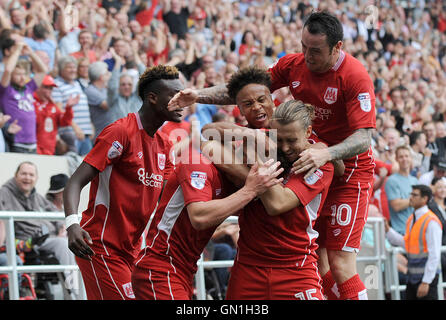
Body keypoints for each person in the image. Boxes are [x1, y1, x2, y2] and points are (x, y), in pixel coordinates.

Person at [168, 11, 375, 300]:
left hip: (345, 168)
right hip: (307, 155)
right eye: (303, 46)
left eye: (314, 50)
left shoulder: (355, 77)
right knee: (323, 260)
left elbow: (364, 138)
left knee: (340, 262)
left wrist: (326, 153)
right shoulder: (292, 68)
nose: (306, 55)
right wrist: (198, 96)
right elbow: (246, 90)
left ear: (338, 47)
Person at [63, 65, 185, 300]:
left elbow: (170, 198)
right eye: (174, 95)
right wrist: (72, 225)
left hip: (133, 250)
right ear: (152, 98)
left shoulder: (165, 144)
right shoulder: (120, 132)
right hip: (99, 247)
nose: (182, 101)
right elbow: (75, 182)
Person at [131, 143, 283, 300]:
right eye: (252, 168)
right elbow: (199, 217)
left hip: (182, 272)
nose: (254, 176)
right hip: (160, 269)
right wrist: (250, 190)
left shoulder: (234, 185)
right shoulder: (197, 163)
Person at [225, 100, 335, 300]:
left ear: (308, 132)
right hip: (248, 268)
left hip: (296, 269)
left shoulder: (319, 162)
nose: (284, 147)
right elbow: (208, 136)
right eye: (279, 139)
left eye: (292, 140)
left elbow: (277, 204)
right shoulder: (264, 142)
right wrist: (249, 137)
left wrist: (254, 157)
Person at [0, 162, 75, 276]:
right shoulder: (4, 194)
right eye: (24, 174)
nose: (27, 178)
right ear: (16, 175)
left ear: (36, 178)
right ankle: (75, 291)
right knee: (63, 244)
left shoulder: (37, 196)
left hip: (51, 237)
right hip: (30, 241)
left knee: (75, 241)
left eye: (31, 175)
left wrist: (62, 227)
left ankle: (82, 288)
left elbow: (55, 213)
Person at [386, 185, 442, 300]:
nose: (410, 198)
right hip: (412, 278)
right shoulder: (411, 219)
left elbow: (434, 255)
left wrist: (426, 282)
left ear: (425, 199)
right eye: (411, 194)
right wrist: (388, 230)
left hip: (426, 279)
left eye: (414, 195)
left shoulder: (431, 221)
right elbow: (406, 242)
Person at [0, 40, 47, 153]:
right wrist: (17, 51)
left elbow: (43, 70)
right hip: (16, 141)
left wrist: (30, 52)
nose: (22, 78)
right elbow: (7, 69)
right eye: (18, 74)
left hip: (32, 141)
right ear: (12, 76)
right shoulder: (6, 90)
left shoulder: (29, 87)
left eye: (24, 74)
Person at [52, 55, 93, 156]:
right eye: (69, 67)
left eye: (74, 67)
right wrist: (75, 128)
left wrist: (90, 125)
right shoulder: (57, 85)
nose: (73, 70)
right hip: (70, 133)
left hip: (85, 134)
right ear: (61, 69)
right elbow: (59, 110)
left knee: (88, 168)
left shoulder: (77, 84)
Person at [34, 75, 77, 155]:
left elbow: (64, 122)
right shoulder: (32, 102)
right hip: (34, 148)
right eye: (46, 87)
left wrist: (68, 108)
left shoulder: (52, 105)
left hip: (50, 149)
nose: (48, 91)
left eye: (51, 88)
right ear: (38, 87)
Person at [385, 145, 420, 236]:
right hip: (400, 232)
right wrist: (416, 199)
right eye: (401, 157)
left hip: (415, 230)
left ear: (411, 158)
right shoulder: (392, 180)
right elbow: (396, 205)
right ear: (396, 159)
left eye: (406, 156)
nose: (404, 159)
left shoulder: (415, 180)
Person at [427, 177, 446, 280]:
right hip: (440, 246)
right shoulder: (430, 207)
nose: (443, 190)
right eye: (439, 187)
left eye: (444, 187)